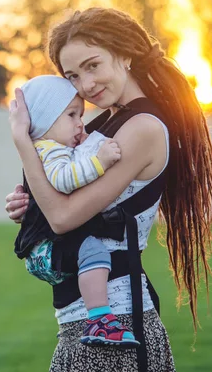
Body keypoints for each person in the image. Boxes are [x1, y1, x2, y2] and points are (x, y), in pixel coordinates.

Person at [7, 7, 212, 372]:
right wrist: (28, 206)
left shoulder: (142, 129)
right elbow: (58, 198)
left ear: (124, 55)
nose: (85, 85)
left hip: (116, 326)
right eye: (72, 75)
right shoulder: (99, 127)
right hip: (81, 325)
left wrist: (24, 142)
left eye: (92, 65)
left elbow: (63, 218)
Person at [17, 74, 140, 348]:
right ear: (45, 120)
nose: (79, 123)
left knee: (92, 249)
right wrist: (100, 161)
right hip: (47, 250)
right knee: (95, 251)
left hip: (46, 247)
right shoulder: (50, 150)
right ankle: (99, 318)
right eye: (71, 115)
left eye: (80, 114)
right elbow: (64, 180)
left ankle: (98, 318)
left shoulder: (53, 148)